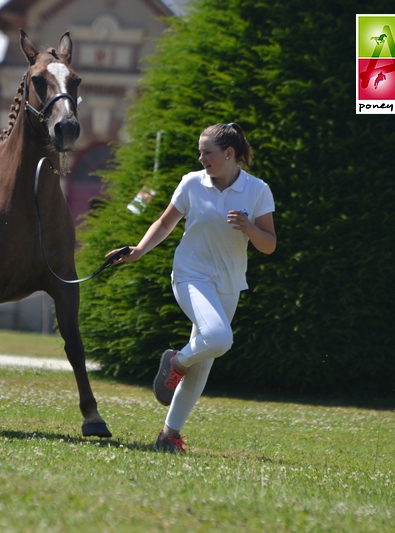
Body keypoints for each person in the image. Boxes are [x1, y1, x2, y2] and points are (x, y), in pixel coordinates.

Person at [107, 122, 276, 454]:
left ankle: (169, 436)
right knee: (219, 338)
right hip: (190, 275)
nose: (201, 158)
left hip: (228, 284)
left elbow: (269, 244)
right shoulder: (191, 183)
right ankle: (176, 362)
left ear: (229, 154)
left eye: (207, 153)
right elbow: (165, 222)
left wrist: (249, 228)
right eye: (200, 152)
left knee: (204, 363)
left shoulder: (257, 190)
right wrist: (139, 250)